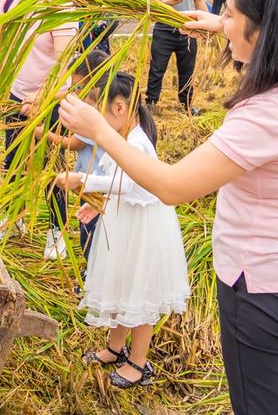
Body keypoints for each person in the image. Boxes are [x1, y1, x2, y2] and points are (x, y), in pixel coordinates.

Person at [59, 0, 278, 413]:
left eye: (231, 15)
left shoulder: (271, 113)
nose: (223, 20)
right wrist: (218, 27)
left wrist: (100, 131)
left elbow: (173, 186)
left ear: (264, 32)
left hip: (264, 290)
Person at [55, 72, 189, 389]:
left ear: (118, 107)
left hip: (143, 229)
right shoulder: (125, 138)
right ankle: (116, 348)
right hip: (124, 221)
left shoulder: (138, 141)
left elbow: (129, 184)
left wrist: (81, 181)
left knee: (140, 293)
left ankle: (138, 363)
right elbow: (118, 185)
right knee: (121, 287)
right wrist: (98, 204)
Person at [0, 0, 77, 259]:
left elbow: (65, 67)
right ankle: (14, 218)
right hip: (16, 98)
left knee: (51, 170)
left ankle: (56, 231)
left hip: (50, 102)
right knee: (12, 163)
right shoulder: (9, 1)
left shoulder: (60, 8)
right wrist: (0, 90)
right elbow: (2, 51)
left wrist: (42, 99)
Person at [34, 49, 109, 265]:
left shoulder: (95, 115)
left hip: (98, 182)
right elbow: (66, 95)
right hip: (92, 179)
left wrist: (43, 133)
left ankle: (92, 271)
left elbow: (72, 144)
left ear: (94, 85)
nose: (75, 92)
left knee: (94, 231)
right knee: (90, 227)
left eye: (79, 87)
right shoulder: (95, 103)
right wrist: (42, 98)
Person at [145, 0, 207, 115]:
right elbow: (151, 3)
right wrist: (168, 2)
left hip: (188, 30)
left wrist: (209, 21)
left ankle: (186, 105)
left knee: (187, 71)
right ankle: (151, 103)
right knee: (157, 68)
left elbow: (199, 0)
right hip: (164, 31)